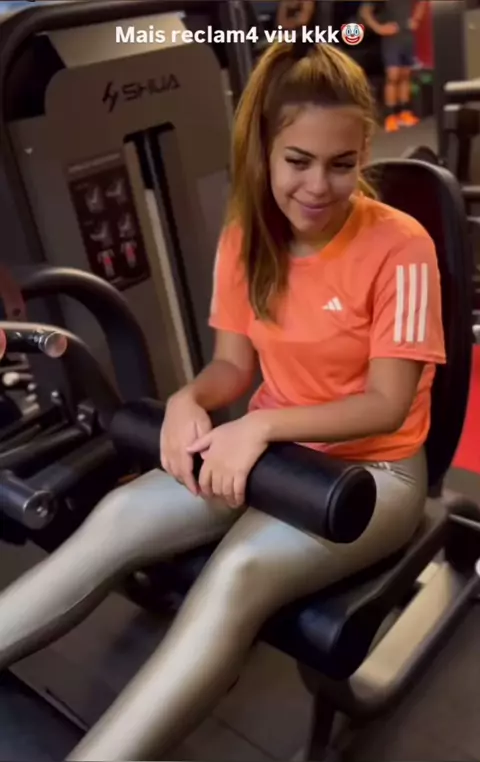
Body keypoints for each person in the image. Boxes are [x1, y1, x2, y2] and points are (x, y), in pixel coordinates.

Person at [0, 40, 445, 761]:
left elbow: (387, 405)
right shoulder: (245, 238)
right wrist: (190, 399)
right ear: (264, 151)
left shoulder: (401, 246)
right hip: (270, 454)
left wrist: (261, 427)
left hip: (373, 476)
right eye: (298, 161)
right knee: (119, 515)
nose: (319, 186)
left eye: (342, 164)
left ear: (365, 150)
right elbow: (232, 366)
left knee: (235, 574)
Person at [360, 0, 427, 132]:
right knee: (393, 76)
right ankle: (390, 117)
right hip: (391, 40)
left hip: (406, 37)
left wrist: (416, 19)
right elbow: (364, 12)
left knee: (405, 75)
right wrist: (379, 28)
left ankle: (405, 113)